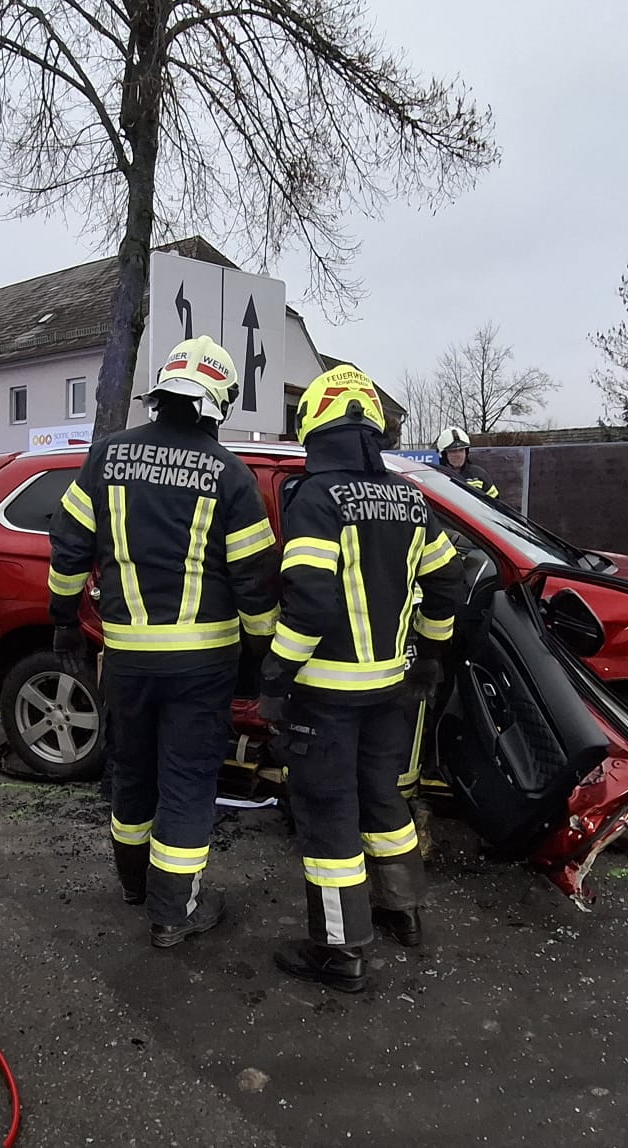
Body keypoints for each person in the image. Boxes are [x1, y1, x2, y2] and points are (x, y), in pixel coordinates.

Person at [46, 336, 279, 947]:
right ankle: (173, 914)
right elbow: (254, 578)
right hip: (203, 664)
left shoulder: (105, 457)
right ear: (218, 401)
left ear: (162, 391)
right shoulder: (230, 472)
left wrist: (64, 619)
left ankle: (133, 885)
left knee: (133, 772)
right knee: (188, 781)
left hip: (127, 657)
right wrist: (262, 656)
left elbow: (69, 546)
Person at [261, 365, 464, 992]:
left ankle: (340, 952)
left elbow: (313, 601)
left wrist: (276, 672)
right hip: (390, 689)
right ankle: (404, 913)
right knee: (383, 799)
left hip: (323, 693)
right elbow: (449, 582)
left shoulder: (316, 498)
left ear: (315, 428)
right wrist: (429, 655)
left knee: (328, 819)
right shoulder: (411, 497)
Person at [434, 426, 500, 498]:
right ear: (443, 455)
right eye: (453, 451)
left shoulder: (479, 475)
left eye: (461, 450)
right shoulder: (437, 477)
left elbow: (495, 503)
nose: (458, 455)